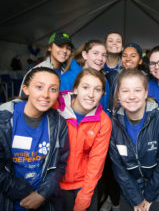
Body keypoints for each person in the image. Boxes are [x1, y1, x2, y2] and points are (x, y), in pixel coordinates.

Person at [0, 67, 69, 211]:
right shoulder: (4, 118)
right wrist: (24, 191)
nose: (45, 95)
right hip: (10, 198)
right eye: (39, 87)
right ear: (26, 89)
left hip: (44, 198)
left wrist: (42, 194)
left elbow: (60, 165)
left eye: (53, 89)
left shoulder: (58, 123)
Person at [109, 69, 159, 211]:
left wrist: (148, 196)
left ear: (146, 92)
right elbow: (118, 168)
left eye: (137, 90)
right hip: (130, 187)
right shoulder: (113, 123)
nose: (131, 96)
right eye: (125, 91)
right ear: (118, 95)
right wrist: (136, 198)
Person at [57, 68, 112, 211]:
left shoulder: (103, 121)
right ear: (75, 89)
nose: (91, 95)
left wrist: (86, 194)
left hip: (84, 183)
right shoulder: (56, 108)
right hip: (55, 182)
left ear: (103, 94)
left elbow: (97, 160)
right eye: (85, 87)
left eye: (97, 89)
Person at [60, 40, 110, 113]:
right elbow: (61, 110)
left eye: (104, 55)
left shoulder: (104, 80)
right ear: (85, 55)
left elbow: (105, 109)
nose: (100, 58)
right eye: (95, 53)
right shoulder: (67, 78)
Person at [19, 32, 73, 96]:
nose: (65, 51)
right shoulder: (37, 72)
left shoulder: (68, 71)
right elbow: (23, 99)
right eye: (60, 46)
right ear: (49, 47)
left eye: (68, 48)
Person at [106, 42, 145, 111]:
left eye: (133, 56)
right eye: (124, 56)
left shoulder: (147, 79)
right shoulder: (112, 76)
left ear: (140, 61)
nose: (128, 59)